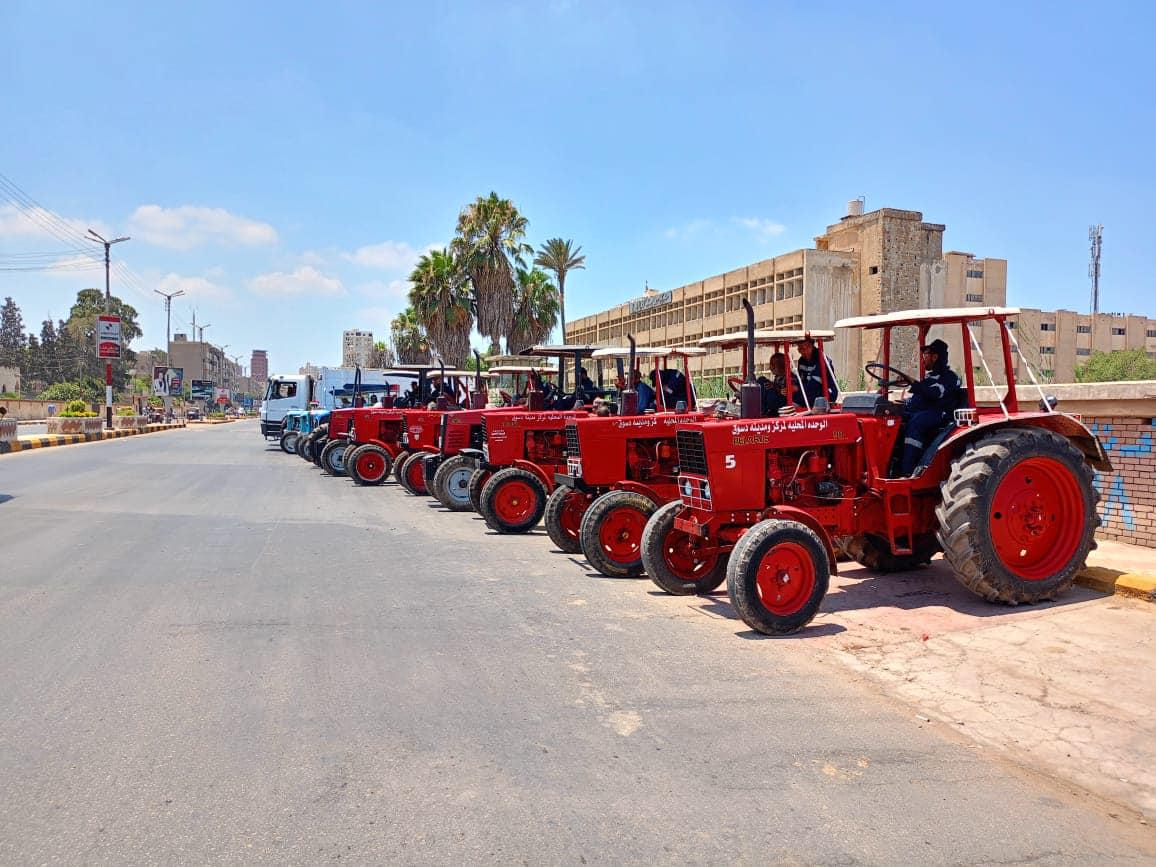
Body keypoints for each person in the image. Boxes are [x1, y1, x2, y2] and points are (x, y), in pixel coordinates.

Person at [898, 338, 962, 476]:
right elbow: (918, 399)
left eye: (925, 355)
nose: (923, 359)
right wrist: (900, 403)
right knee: (894, 416)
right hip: (920, 411)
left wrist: (913, 382)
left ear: (935, 356)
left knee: (917, 422)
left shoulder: (950, 378)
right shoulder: (930, 377)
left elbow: (934, 393)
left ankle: (908, 471)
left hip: (939, 415)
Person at [794, 337, 839, 408]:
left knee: (803, 394)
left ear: (810, 346)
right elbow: (800, 380)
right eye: (799, 349)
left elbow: (815, 383)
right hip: (809, 391)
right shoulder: (801, 361)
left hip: (827, 393)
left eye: (802, 348)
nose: (800, 351)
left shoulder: (821, 360)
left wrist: (798, 388)